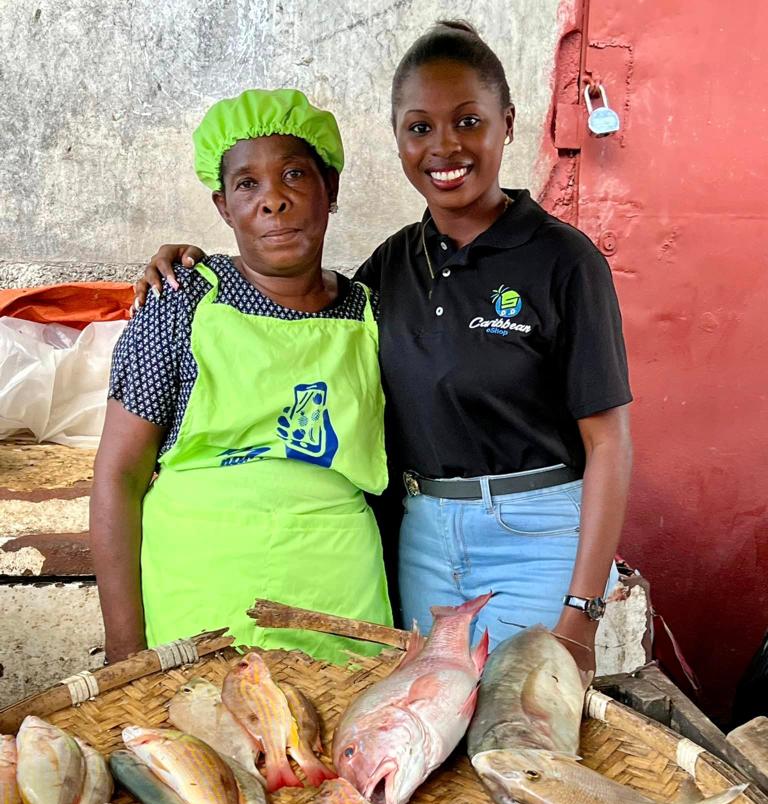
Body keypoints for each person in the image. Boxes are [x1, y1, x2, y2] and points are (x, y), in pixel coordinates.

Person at [132, 21, 632, 677]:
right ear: (398, 139)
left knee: (519, 741)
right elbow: (298, 302)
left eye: (468, 121)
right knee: (430, 747)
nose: (444, 146)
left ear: (507, 123)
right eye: (420, 127)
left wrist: (582, 607)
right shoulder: (389, 271)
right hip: (425, 538)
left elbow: (609, 443)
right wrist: (195, 263)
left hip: (535, 539)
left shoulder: (564, 263)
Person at [90, 88, 392, 666]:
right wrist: (126, 651)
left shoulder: (373, 312)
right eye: (247, 184)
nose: (272, 200)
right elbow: (119, 476)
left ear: (330, 190)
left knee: (332, 748)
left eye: (295, 175)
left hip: (337, 586)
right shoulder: (180, 301)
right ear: (223, 207)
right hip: (201, 583)